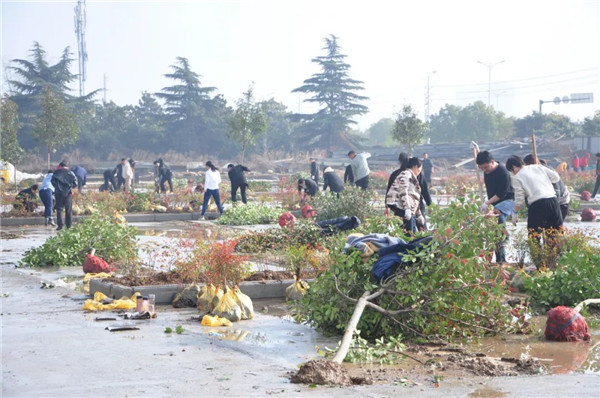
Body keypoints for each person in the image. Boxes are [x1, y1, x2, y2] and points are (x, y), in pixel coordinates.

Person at [506, 155, 562, 238]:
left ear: (513, 167)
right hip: (553, 202)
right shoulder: (538, 167)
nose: (512, 173)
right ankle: (556, 251)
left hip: (537, 205)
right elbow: (556, 178)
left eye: (511, 171)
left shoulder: (516, 178)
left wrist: (515, 212)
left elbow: (519, 199)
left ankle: (536, 251)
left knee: (534, 236)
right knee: (556, 233)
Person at [476, 151, 515, 263]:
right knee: (495, 232)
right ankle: (500, 260)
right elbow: (491, 191)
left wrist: (487, 203)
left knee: (497, 212)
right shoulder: (487, 172)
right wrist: (488, 205)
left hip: (509, 201)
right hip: (495, 203)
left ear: (492, 162)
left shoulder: (503, 172)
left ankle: (505, 236)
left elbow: (501, 193)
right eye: (481, 168)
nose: (484, 170)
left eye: (486, 167)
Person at [385, 152, 432, 230]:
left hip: (409, 207)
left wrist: (387, 206)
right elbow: (404, 192)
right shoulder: (407, 174)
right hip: (406, 207)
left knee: (406, 231)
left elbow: (389, 192)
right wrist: (429, 204)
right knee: (415, 231)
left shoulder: (397, 174)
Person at [524, 155, 571, 220]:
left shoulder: (548, 171)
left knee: (553, 227)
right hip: (544, 203)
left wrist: (551, 211)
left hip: (561, 203)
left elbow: (557, 193)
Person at [51, 160, 78, 231]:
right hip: (68, 193)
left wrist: (58, 188)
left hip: (58, 193)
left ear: (61, 166)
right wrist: (70, 188)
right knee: (68, 210)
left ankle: (60, 226)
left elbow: (53, 182)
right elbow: (75, 183)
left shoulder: (56, 173)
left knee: (59, 209)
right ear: (67, 166)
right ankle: (68, 225)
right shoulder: (71, 173)